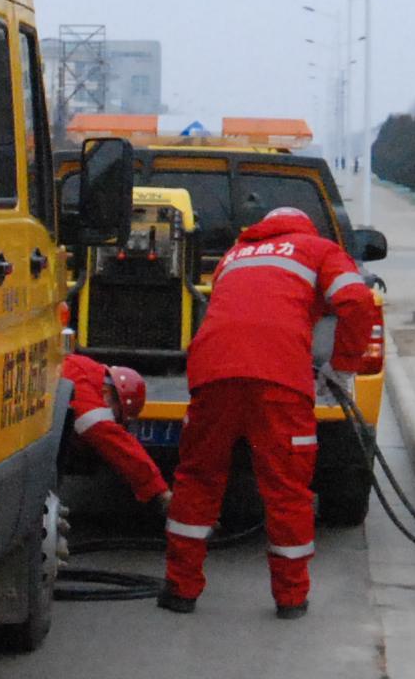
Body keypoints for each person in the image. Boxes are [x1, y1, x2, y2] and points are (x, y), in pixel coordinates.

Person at [159, 205, 381, 616]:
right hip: (280, 378)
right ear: (305, 227)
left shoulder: (234, 255)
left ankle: (180, 589)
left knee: (197, 479)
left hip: (213, 372)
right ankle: (290, 598)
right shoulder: (319, 249)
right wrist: (343, 366)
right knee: (286, 490)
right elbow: (356, 301)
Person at [59, 351, 169, 510]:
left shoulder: (81, 370)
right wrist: (159, 491)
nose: (113, 421)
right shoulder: (81, 383)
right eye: (117, 416)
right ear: (107, 392)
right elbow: (111, 439)